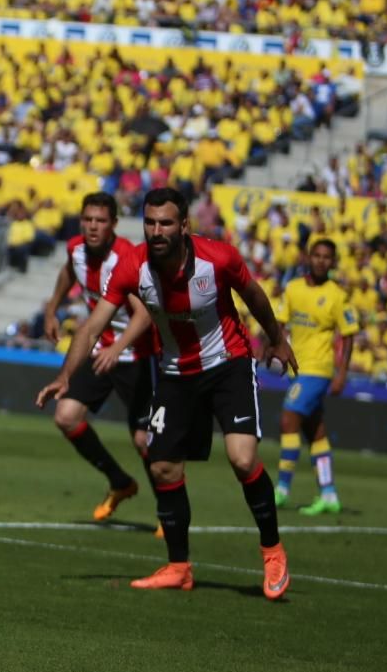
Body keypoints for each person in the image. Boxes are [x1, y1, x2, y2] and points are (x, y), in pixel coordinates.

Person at [37, 187, 296, 599]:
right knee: (162, 469)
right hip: (176, 374)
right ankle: (179, 567)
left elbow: (255, 296)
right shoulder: (131, 267)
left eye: (166, 223)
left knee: (242, 459)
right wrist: (66, 376)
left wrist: (278, 340)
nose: (157, 231)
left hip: (227, 365)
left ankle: (272, 551)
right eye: (150, 222)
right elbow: (90, 327)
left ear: (184, 226)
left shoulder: (219, 258)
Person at [42, 192, 159, 530]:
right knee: (65, 416)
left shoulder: (126, 258)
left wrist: (118, 347)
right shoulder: (76, 249)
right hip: (99, 349)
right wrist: (52, 308)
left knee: (143, 440)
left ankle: (168, 513)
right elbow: (67, 273)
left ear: (114, 225)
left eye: (101, 220)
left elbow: (144, 316)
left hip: (137, 354)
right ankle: (120, 481)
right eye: (88, 219)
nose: (93, 226)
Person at [273, 239, 359, 515]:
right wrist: (274, 343)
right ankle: (329, 493)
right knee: (315, 431)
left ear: (333, 262)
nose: (322, 261)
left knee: (288, 419)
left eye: (327, 257)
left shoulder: (337, 295)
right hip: (296, 368)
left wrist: (342, 372)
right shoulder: (294, 288)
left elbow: (348, 335)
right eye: (317, 256)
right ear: (309, 258)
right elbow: (280, 321)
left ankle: (282, 490)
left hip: (318, 369)